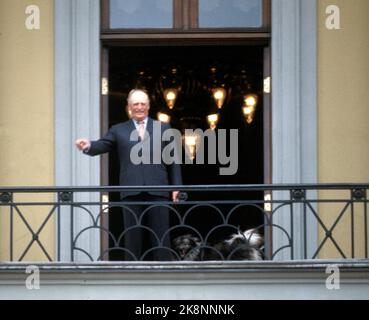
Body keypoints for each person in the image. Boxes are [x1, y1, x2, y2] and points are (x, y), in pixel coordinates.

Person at [75, 89, 182, 261]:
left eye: (142, 104)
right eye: (135, 104)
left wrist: (176, 187)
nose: (139, 107)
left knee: (161, 237)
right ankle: (132, 274)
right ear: (129, 107)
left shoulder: (163, 127)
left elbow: (174, 160)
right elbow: (103, 144)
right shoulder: (118, 129)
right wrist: (88, 145)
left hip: (158, 189)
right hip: (130, 190)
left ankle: (165, 275)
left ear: (148, 106)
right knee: (133, 237)